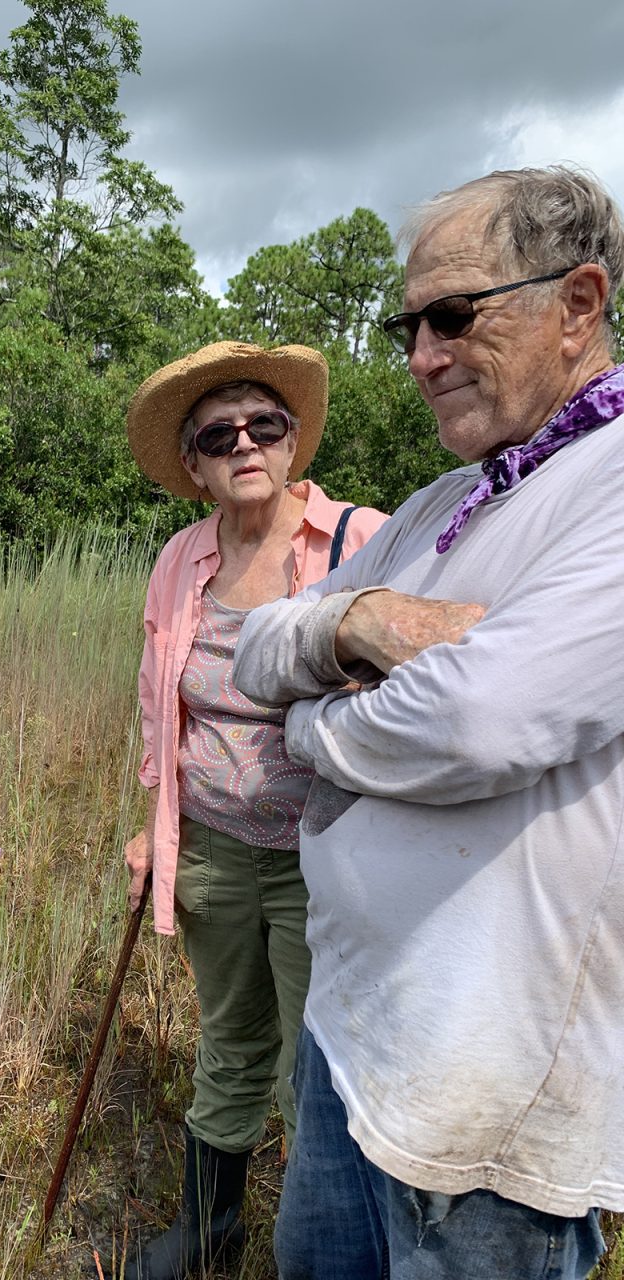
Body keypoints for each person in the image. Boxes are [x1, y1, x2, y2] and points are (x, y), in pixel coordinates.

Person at [232, 165, 624, 1280]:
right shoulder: (442, 504)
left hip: (488, 1100)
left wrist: (308, 733)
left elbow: (478, 718)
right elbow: (260, 645)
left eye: (455, 315)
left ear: (579, 303)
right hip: (354, 1034)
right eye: (410, 324)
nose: (420, 355)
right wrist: (367, 615)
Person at [118, 341, 387, 1280]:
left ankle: (331, 1243)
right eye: (218, 434)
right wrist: (153, 825)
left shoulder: (363, 540)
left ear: (292, 439)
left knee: (319, 1060)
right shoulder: (179, 559)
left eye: (263, 425)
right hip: (213, 851)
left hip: (333, 859)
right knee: (231, 1035)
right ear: (193, 465)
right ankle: (211, 1230)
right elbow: (163, 703)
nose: (244, 443)